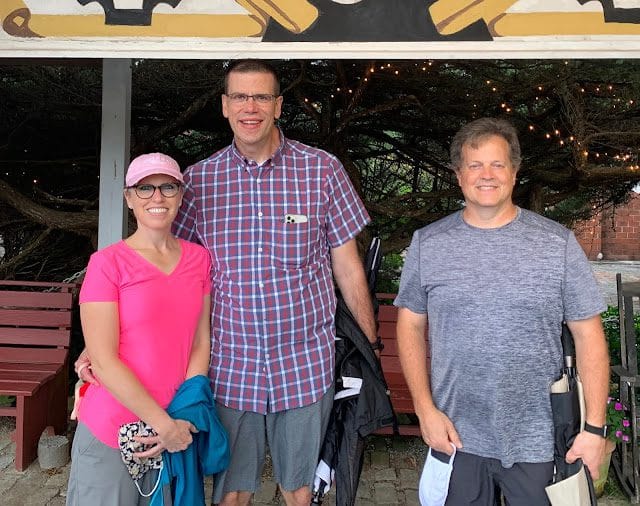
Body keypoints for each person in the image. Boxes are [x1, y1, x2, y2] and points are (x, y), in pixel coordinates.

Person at [78, 59, 377, 506]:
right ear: (224, 105)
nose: (249, 107)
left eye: (261, 97)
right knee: (232, 493)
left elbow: (348, 267)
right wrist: (99, 345)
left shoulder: (322, 170)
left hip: (306, 364)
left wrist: (368, 349)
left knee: (300, 491)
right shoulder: (198, 181)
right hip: (230, 368)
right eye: (239, 96)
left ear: (278, 105)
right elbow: (167, 272)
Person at [395, 117, 609, 505]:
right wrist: (424, 411)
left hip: (541, 440)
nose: (487, 175)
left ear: (514, 172)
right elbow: (409, 325)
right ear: (459, 175)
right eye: (475, 165)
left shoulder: (556, 244)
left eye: (497, 164)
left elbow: (589, 335)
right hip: (456, 435)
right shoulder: (429, 244)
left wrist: (594, 430)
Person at [67, 153, 213, 505]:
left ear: (181, 195)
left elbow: (199, 341)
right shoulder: (106, 264)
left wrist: (182, 416)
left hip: (174, 428)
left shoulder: (199, 259)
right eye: (144, 188)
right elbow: (103, 360)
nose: (157, 197)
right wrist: (164, 425)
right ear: (129, 198)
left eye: (168, 187)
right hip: (112, 429)